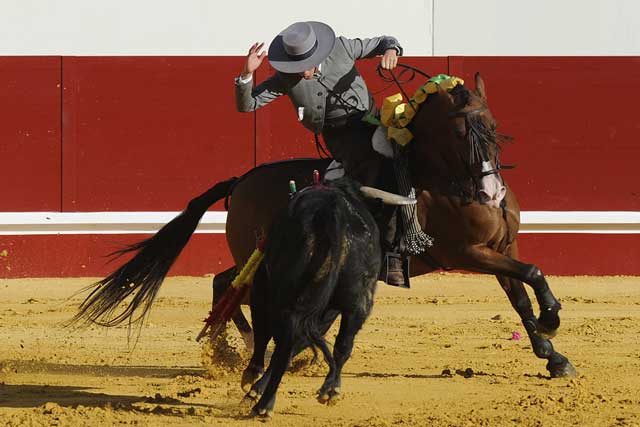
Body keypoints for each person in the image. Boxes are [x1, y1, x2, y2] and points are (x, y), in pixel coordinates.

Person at [235, 21, 427, 287]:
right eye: (295, 67)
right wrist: (247, 74)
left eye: (305, 65)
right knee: (381, 165)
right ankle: (391, 253)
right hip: (341, 135)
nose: (302, 73)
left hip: (372, 118)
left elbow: (384, 40)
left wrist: (391, 50)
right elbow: (247, 104)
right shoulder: (285, 78)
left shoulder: (341, 47)